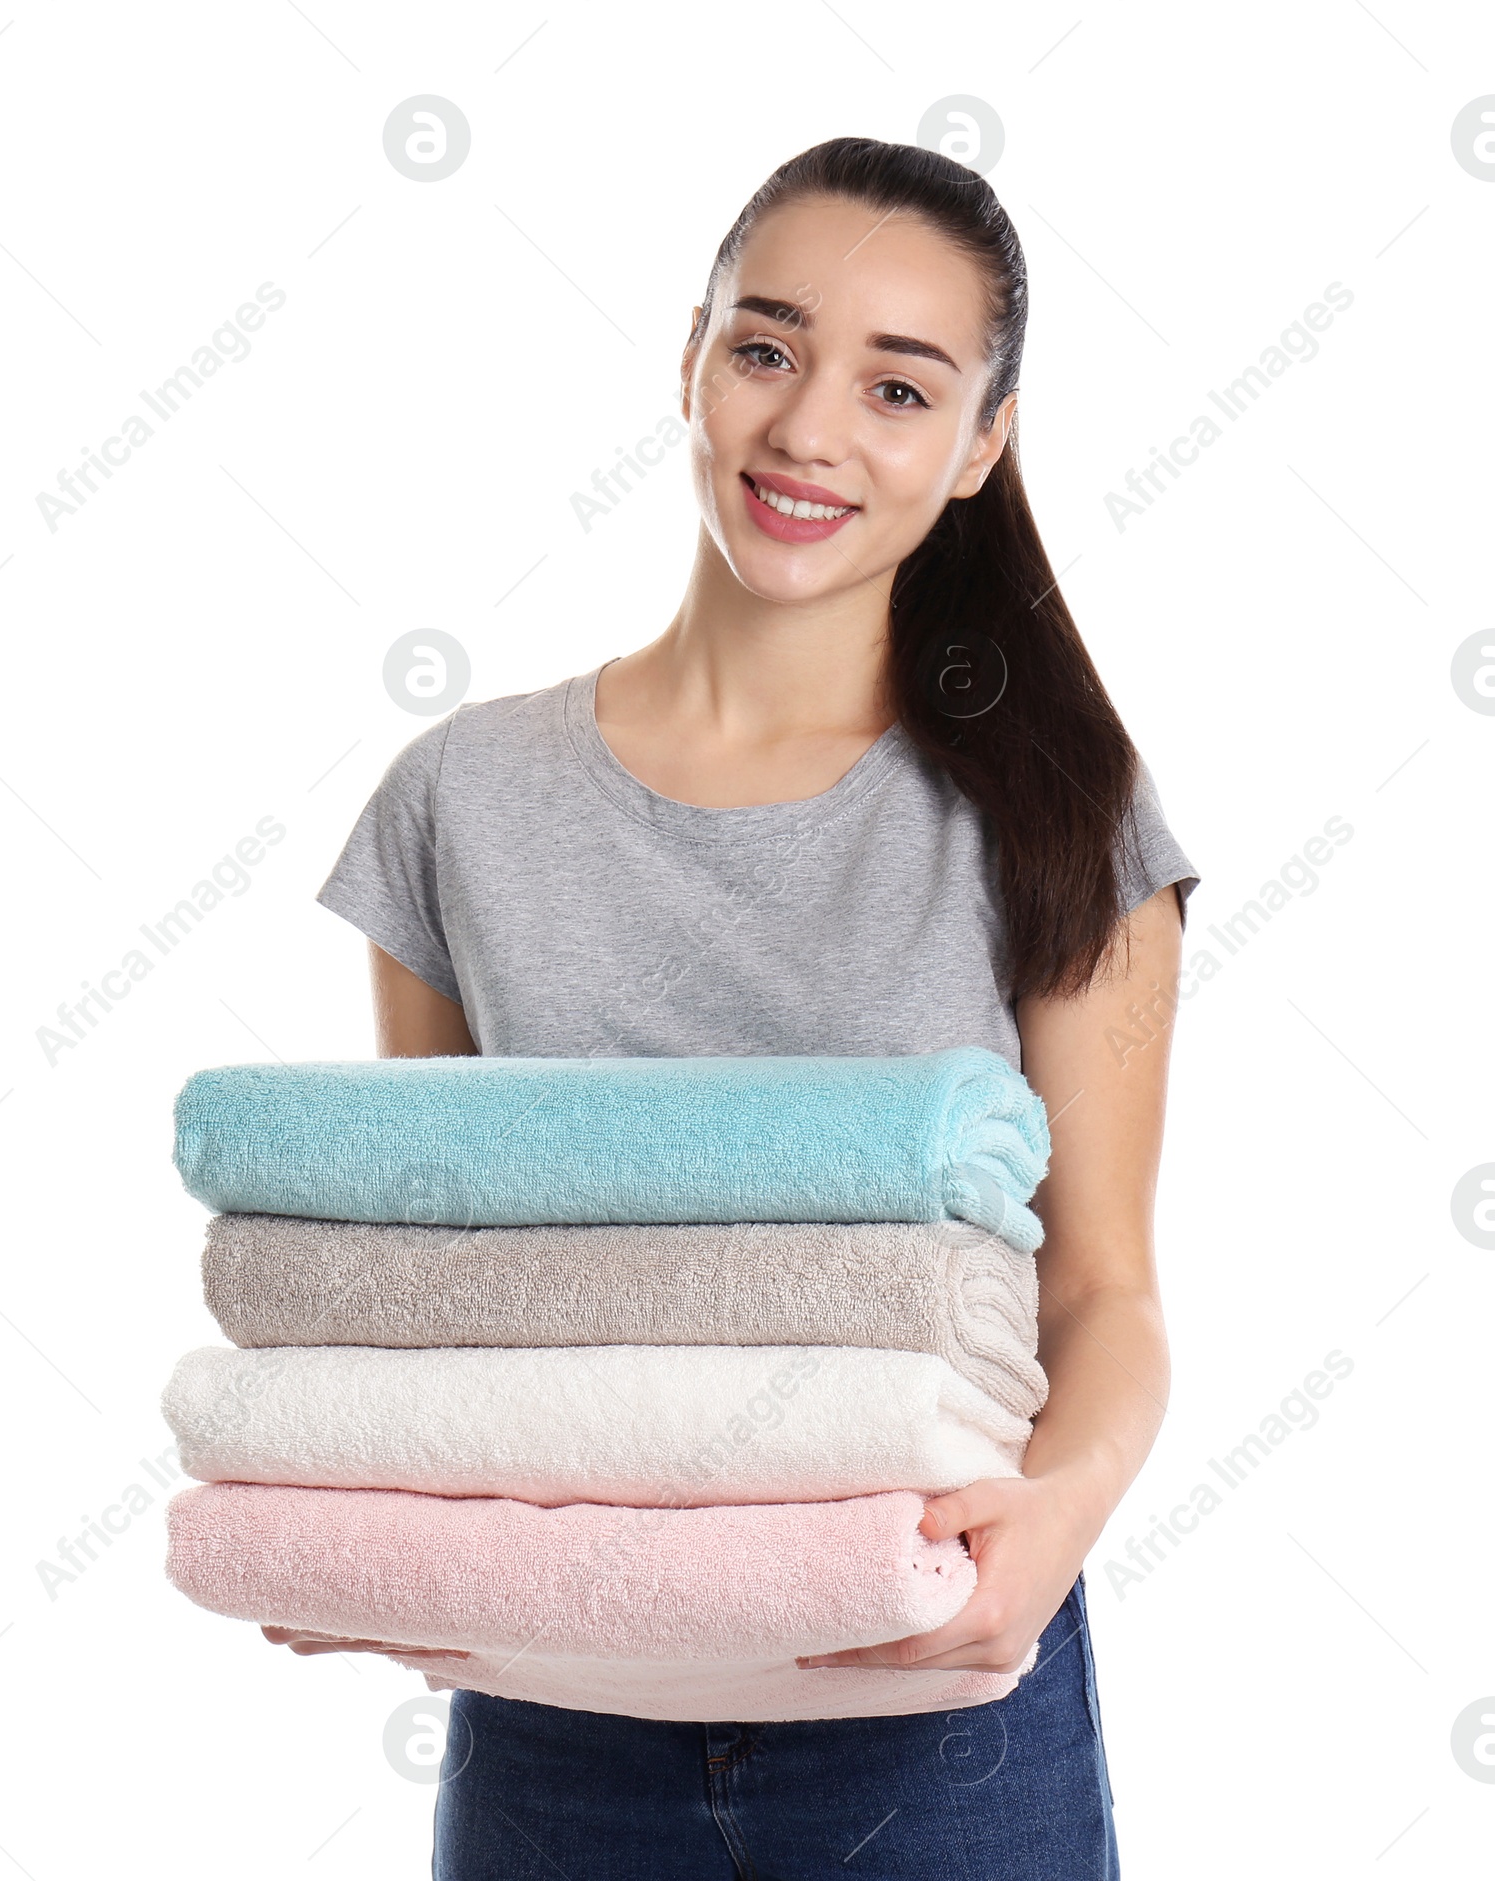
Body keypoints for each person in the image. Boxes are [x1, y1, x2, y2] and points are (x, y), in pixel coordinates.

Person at [271, 136, 1198, 1878]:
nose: (809, 430)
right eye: (766, 349)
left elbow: (1107, 1291)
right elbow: (444, 1286)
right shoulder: (460, 800)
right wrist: (352, 1531)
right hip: (555, 1719)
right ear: (688, 353)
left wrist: (1048, 1530)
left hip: (942, 1710)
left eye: (899, 385)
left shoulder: (1065, 811)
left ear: (983, 442)